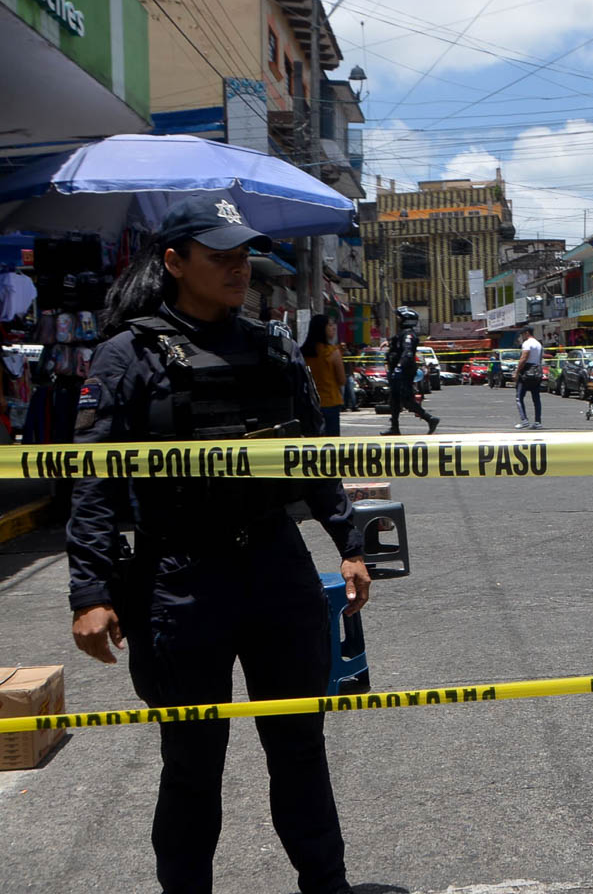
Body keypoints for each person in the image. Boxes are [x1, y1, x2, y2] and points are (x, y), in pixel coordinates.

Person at [67, 196, 369, 894]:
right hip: (180, 577)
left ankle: (328, 886)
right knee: (192, 760)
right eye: (220, 256)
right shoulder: (127, 356)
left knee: (300, 748)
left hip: (274, 569)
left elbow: (311, 457)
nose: (240, 268)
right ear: (174, 262)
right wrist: (90, 591)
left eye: (243, 255)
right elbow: (95, 478)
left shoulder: (272, 345)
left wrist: (349, 543)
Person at [381, 306, 439, 435]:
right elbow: (397, 341)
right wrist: (389, 342)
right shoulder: (402, 334)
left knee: (407, 400)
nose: (397, 320)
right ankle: (394, 427)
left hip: (403, 373)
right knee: (394, 400)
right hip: (396, 373)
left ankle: (430, 419)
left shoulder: (409, 335)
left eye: (399, 318)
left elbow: (407, 353)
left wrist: (399, 368)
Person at [301, 313, 345, 436]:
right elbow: (341, 379)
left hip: (310, 404)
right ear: (322, 328)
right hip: (330, 402)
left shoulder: (303, 353)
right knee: (331, 444)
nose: (334, 328)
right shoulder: (332, 352)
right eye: (330, 325)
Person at [514, 325, 544, 429]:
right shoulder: (538, 344)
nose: (522, 336)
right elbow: (540, 359)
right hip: (537, 371)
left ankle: (524, 420)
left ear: (527, 333)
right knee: (536, 398)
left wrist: (517, 372)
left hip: (526, 372)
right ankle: (538, 421)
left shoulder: (527, 344)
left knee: (519, 397)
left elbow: (523, 358)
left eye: (522, 334)